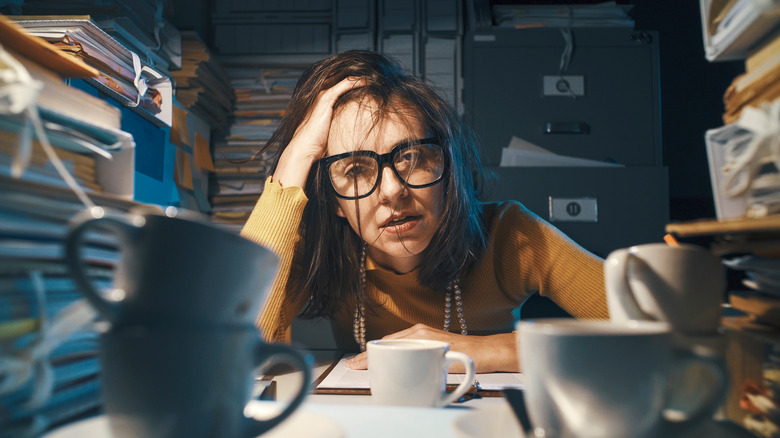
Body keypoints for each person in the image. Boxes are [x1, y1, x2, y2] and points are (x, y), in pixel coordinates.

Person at [240, 50, 608, 373]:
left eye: (412, 158)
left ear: (447, 169)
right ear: (333, 201)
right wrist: (294, 159)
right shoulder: (322, 252)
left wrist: (489, 349)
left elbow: (662, 328)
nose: (392, 190)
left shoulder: (512, 234)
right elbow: (227, 349)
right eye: (355, 170)